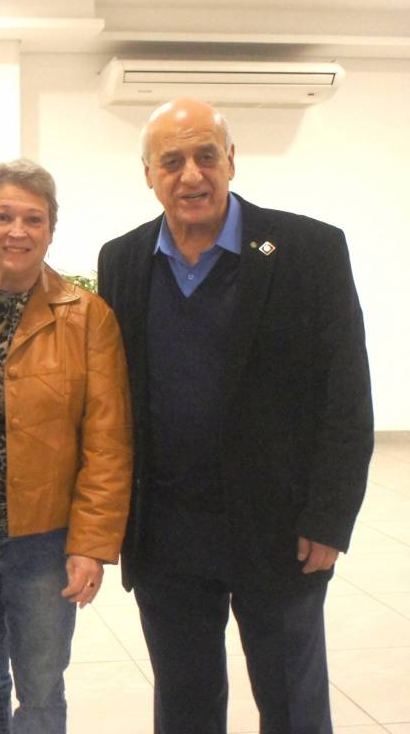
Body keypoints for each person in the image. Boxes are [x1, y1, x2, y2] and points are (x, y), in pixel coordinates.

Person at [97, 98, 373, 733]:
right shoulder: (123, 260)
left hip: (280, 529)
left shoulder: (308, 250)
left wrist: (330, 516)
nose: (191, 175)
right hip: (167, 534)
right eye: (172, 161)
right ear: (148, 173)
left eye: (205, 156)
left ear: (230, 161)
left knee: (293, 703)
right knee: (185, 705)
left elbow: (346, 396)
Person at [0, 159, 133, 733]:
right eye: (3, 216)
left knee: (41, 689)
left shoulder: (88, 317)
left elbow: (108, 441)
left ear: (52, 228)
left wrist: (91, 545)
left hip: (44, 540)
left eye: (34, 219)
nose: (18, 231)